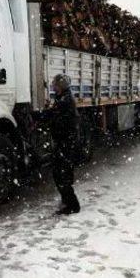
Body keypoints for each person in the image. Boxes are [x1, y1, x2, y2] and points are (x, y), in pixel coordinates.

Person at [48, 73, 81, 215]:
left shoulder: (65, 100)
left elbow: (57, 118)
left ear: (61, 85)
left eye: (55, 84)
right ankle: (67, 201)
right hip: (64, 141)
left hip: (66, 142)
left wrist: (45, 117)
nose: (53, 86)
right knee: (60, 172)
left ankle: (72, 205)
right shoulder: (62, 98)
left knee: (62, 173)